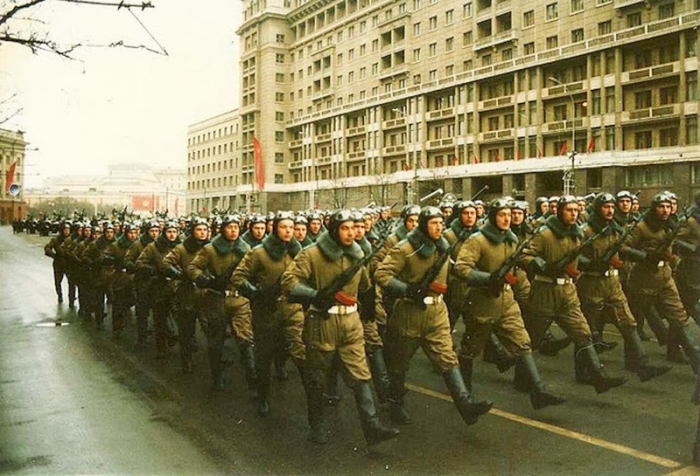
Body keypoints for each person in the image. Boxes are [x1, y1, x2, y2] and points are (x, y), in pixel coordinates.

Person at [281, 210, 399, 446]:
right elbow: (289, 282)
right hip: (322, 323)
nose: (351, 233)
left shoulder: (357, 255)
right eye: (345, 228)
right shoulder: (312, 254)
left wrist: (369, 310)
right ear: (334, 230)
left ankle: (372, 426)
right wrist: (314, 295)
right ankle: (317, 425)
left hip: (351, 323)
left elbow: (365, 286)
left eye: (353, 228)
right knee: (317, 377)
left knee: (361, 373)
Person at [374, 206, 493, 427]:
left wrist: (487, 278)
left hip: (437, 312)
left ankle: (465, 405)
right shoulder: (405, 248)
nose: (439, 227)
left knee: (447, 357)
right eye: (433, 223)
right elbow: (381, 273)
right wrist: (407, 289)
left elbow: (457, 270)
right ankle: (395, 404)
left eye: (441, 223)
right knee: (399, 364)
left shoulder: (443, 247)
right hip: (410, 312)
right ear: (422, 225)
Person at [454, 199, 565, 410]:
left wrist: (534, 263)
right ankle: (464, 395)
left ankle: (538, 392)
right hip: (482, 300)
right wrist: (487, 278)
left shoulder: (511, 238)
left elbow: (518, 259)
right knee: (470, 349)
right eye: (502, 215)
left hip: (506, 299)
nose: (506, 219)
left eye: (508, 215)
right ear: (493, 216)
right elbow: (461, 269)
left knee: (523, 342)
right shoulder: (477, 240)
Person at [519, 196, 627, 394]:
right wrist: (541, 266)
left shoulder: (577, 234)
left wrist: (589, 265)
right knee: (533, 338)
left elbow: (581, 260)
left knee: (583, 333)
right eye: (569, 210)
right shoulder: (545, 234)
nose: (573, 214)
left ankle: (598, 377)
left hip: (568, 292)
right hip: (545, 290)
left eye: (576, 210)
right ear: (560, 211)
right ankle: (521, 377)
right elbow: (524, 254)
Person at [577, 193, 671, 382]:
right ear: (597, 208)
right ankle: (582, 371)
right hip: (592, 283)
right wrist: (590, 263)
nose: (610, 210)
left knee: (629, 322)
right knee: (586, 330)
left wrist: (644, 256)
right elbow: (574, 255)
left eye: (612, 207)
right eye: (606, 207)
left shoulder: (616, 230)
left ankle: (643, 364)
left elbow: (625, 249)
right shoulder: (585, 231)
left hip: (613, 282)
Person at [231, 211, 303, 417]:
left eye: (291, 227)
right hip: (266, 310)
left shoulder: (299, 252)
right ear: (274, 228)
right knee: (264, 356)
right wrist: (255, 293)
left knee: (299, 349)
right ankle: (263, 396)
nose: (288, 231)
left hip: (292, 308)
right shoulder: (259, 253)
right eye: (283, 227)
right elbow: (238, 276)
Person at [622, 192, 700, 373]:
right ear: (653, 208)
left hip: (665, 277)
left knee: (679, 315)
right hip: (643, 277)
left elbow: (676, 247)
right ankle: (632, 360)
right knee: (634, 319)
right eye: (661, 207)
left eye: (668, 206)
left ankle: (696, 359)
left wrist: (673, 259)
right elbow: (624, 247)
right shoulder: (641, 227)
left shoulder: (671, 226)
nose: (666, 210)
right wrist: (645, 256)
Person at [189, 214, 253, 391]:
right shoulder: (210, 249)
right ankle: (217, 376)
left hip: (239, 298)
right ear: (222, 229)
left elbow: (253, 270)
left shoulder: (246, 248)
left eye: (236, 227)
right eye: (229, 227)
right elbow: (193, 267)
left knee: (245, 339)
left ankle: (252, 379)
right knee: (216, 340)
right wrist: (205, 280)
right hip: (216, 298)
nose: (233, 231)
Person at [161, 217, 210, 373]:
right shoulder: (181, 249)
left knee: (213, 329)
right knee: (186, 331)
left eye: (205, 230)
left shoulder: (212, 248)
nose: (202, 233)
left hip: (207, 294)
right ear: (192, 231)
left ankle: (216, 362)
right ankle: (186, 360)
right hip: (187, 293)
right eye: (199, 230)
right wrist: (179, 275)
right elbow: (165, 263)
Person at [136, 221, 181, 359]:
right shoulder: (153, 247)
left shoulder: (181, 247)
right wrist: (153, 270)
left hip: (177, 286)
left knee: (181, 315)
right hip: (158, 286)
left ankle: (181, 340)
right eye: (169, 232)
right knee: (159, 318)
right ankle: (161, 347)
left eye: (174, 232)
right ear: (164, 233)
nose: (172, 235)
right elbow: (140, 263)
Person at [125, 221, 161, 348]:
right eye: (152, 231)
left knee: (160, 312)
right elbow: (128, 260)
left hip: (159, 282)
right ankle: (142, 337)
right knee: (142, 311)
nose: (155, 234)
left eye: (157, 231)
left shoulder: (161, 244)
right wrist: (138, 268)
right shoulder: (138, 244)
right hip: (143, 282)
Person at [105, 222, 139, 338]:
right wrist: (115, 260)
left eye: (135, 233)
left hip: (135, 277)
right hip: (121, 277)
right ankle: (117, 329)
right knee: (118, 304)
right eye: (130, 233)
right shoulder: (116, 245)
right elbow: (106, 256)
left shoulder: (139, 245)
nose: (133, 235)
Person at [44, 221, 72, 304]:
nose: (67, 231)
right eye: (65, 230)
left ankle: (71, 298)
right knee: (58, 281)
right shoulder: (56, 240)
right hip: (58, 263)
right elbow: (47, 248)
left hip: (69, 263)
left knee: (71, 282)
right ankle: (59, 295)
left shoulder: (72, 240)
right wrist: (54, 255)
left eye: (68, 230)